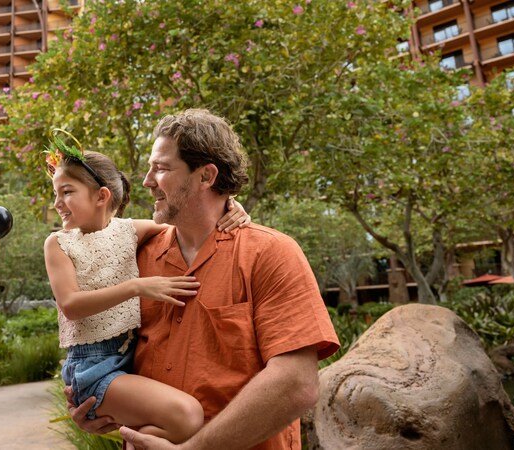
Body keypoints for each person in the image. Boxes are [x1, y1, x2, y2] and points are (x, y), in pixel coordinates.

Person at [67, 109, 340, 450]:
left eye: (162, 168)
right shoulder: (137, 256)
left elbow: (296, 385)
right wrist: (97, 405)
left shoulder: (270, 253)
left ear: (206, 176)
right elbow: (105, 349)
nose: (147, 181)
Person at [44, 135, 250, 444]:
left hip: (128, 360)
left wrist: (232, 207)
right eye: (55, 193)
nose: (57, 202)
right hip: (92, 366)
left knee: (182, 423)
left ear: (101, 196)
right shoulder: (58, 243)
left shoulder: (130, 231)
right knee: (187, 416)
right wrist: (137, 287)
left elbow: (192, 220)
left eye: (67, 192)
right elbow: (71, 305)